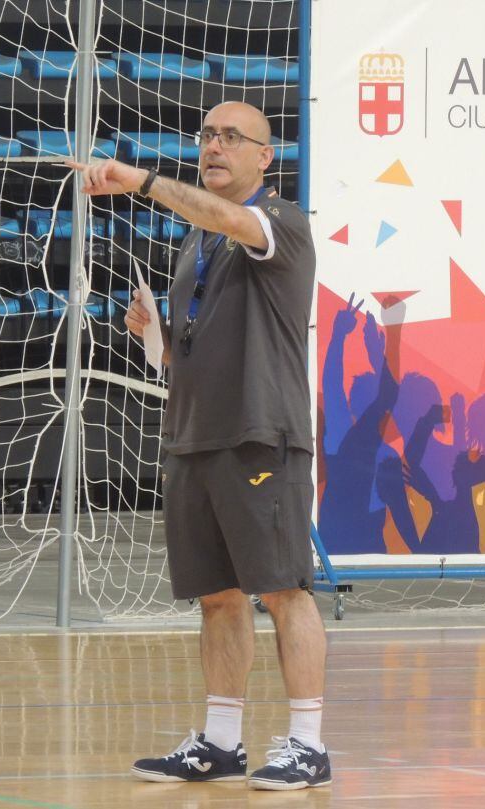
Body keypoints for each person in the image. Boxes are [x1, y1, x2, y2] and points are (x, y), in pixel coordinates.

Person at [66, 101, 330, 791]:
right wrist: (154, 343)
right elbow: (193, 360)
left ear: (265, 156)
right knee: (218, 596)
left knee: (283, 589)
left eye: (231, 138)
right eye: (207, 135)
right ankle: (220, 741)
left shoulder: (279, 224)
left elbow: (225, 217)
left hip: (258, 436)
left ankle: (308, 742)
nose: (215, 146)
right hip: (193, 437)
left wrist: (137, 180)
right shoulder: (196, 247)